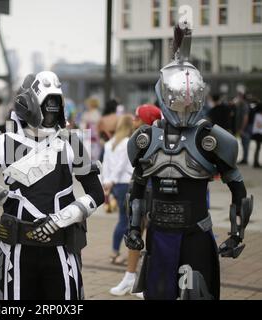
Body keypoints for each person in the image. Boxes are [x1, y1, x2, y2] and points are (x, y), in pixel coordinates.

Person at [125, 22, 253, 300]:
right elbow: (137, 188)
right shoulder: (146, 138)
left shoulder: (212, 138)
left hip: (195, 235)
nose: (182, 105)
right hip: (158, 235)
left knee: (197, 294)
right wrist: (134, 228)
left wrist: (237, 233)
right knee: (159, 294)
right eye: (177, 99)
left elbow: (238, 188)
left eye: (188, 99)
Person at [0, 71, 104, 299]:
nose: (51, 110)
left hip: (60, 246)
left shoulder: (70, 142)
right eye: (47, 103)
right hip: (17, 248)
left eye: (55, 103)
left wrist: (59, 220)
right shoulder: (1, 143)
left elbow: (96, 194)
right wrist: (8, 200)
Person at [109, 104, 161, 298]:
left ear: (147, 121)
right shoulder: (136, 140)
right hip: (137, 189)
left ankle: (146, 280)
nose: (134, 120)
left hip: (152, 191)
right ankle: (130, 278)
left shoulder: (157, 142)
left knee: (152, 235)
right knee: (134, 232)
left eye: (138, 117)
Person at [102, 115, 134, 266]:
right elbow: (121, 165)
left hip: (114, 185)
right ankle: (116, 253)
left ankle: (122, 252)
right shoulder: (127, 143)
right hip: (125, 184)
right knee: (125, 220)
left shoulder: (109, 143)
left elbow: (105, 164)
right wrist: (112, 180)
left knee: (124, 219)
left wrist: (107, 182)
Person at [80, 97, 102, 161]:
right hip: (86, 136)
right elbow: (82, 124)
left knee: (94, 155)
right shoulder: (86, 113)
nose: (87, 105)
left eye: (88, 104)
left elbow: (97, 123)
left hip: (94, 137)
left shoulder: (96, 113)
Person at [249, 101, 262, 168]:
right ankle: (256, 162)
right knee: (258, 148)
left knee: (258, 147)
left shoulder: (256, 115)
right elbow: (259, 125)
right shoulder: (258, 116)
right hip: (258, 133)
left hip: (257, 133)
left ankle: (256, 161)